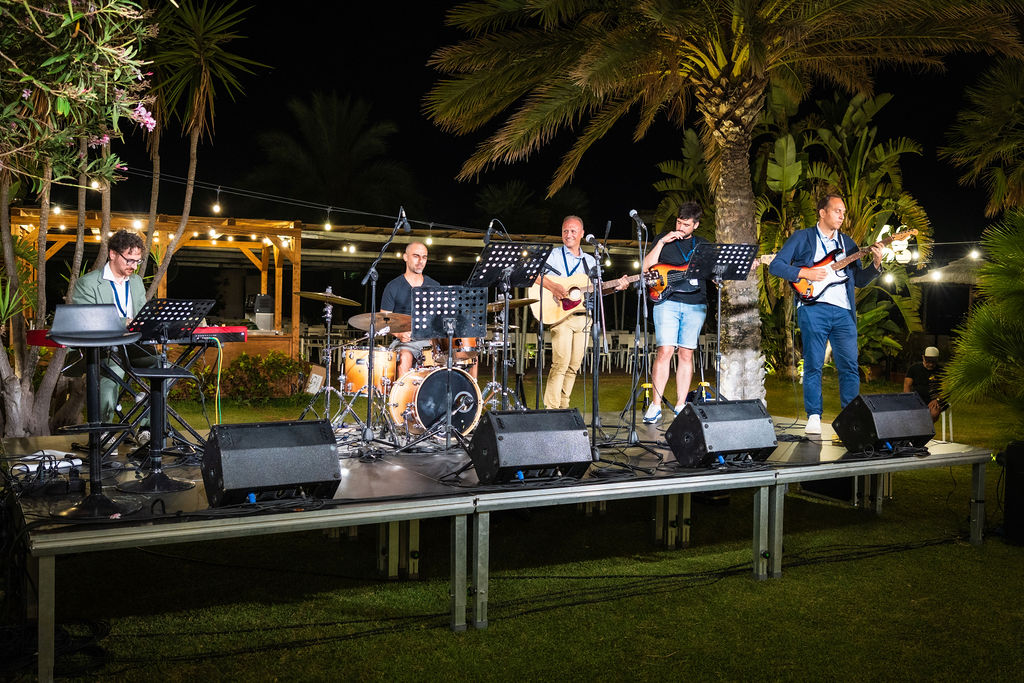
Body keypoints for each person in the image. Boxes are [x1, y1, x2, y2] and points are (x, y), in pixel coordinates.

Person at [768, 193, 883, 434]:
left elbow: (859, 280)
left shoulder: (848, 244)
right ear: (822, 213)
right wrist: (805, 273)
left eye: (843, 212)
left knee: (849, 366)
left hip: (843, 312)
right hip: (813, 308)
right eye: (837, 211)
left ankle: (850, 420)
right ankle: (813, 416)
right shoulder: (802, 237)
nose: (842, 216)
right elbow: (777, 265)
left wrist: (875, 264)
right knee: (813, 364)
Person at [536, 215, 627, 410]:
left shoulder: (590, 261)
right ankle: (551, 409)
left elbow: (598, 290)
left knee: (573, 366)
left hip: (583, 317)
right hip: (560, 316)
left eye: (573, 231)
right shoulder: (554, 255)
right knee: (560, 364)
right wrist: (553, 287)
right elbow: (533, 274)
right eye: (565, 231)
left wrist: (616, 287)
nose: (568, 234)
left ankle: (564, 407)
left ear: (582, 234)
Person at [70, 229, 148, 427]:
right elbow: (87, 320)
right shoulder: (88, 283)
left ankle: (147, 428)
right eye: (129, 260)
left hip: (134, 346)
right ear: (113, 254)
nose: (134, 266)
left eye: (137, 261)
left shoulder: (137, 282)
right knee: (112, 374)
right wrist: (124, 323)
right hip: (104, 348)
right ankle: (104, 432)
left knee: (167, 369)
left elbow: (141, 314)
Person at [640, 202, 710, 423]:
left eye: (686, 224)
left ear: (696, 225)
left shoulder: (703, 245)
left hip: (695, 303)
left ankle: (681, 405)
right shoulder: (663, 239)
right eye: (679, 222)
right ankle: (655, 406)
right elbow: (645, 267)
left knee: (686, 354)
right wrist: (662, 242)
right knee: (665, 351)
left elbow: (714, 271)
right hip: (667, 302)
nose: (680, 227)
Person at [381, 241, 441, 378]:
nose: (420, 261)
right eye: (416, 256)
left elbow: (440, 319)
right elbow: (383, 320)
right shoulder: (393, 286)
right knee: (405, 357)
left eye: (424, 257)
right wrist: (399, 334)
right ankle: (403, 392)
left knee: (468, 355)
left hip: (429, 342)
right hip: (405, 342)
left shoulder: (434, 286)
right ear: (405, 257)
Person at [904, 346, 947, 422]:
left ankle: (925, 428)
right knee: (909, 413)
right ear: (923, 358)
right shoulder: (914, 368)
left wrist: (937, 400)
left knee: (933, 413)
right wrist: (909, 400)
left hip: (936, 400)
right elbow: (907, 385)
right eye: (928, 361)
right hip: (917, 399)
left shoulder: (942, 371)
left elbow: (946, 390)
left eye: (933, 362)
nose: (930, 364)